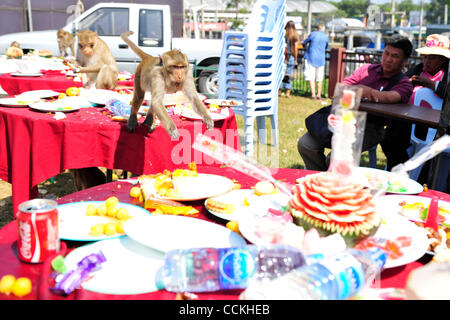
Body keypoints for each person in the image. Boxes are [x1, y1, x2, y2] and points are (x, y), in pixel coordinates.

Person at [298, 35, 414, 171]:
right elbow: (342, 87)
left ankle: (330, 180)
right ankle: (322, 176)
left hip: (370, 128)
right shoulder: (367, 69)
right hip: (343, 120)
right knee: (305, 144)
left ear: (404, 61)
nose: (388, 59)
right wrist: (362, 92)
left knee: (336, 158)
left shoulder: (404, 83)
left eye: (394, 56)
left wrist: (366, 92)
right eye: (386, 53)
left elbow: (391, 97)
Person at [380, 34, 450, 170]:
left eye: (432, 58)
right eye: (425, 57)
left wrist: (431, 84)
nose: (427, 61)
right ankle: (400, 167)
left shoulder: (447, 74)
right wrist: (407, 84)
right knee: (389, 137)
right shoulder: (418, 69)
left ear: (443, 60)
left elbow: (447, 92)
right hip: (409, 119)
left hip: (434, 126)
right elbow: (401, 83)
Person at [303, 24, 329, 101]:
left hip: (311, 57)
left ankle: (313, 94)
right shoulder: (326, 36)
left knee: (311, 77)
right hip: (321, 59)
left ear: (317, 28)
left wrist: (307, 37)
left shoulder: (313, 34)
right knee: (319, 78)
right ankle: (319, 95)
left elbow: (304, 42)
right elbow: (326, 46)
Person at [279, 21, 299, 98]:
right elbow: (296, 49)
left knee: (280, 74)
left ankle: (279, 91)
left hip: (283, 57)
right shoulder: (295, 36)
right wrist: (296, 60)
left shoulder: (283, 35)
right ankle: (288, 93)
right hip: (291, 57)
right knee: (289, 75)